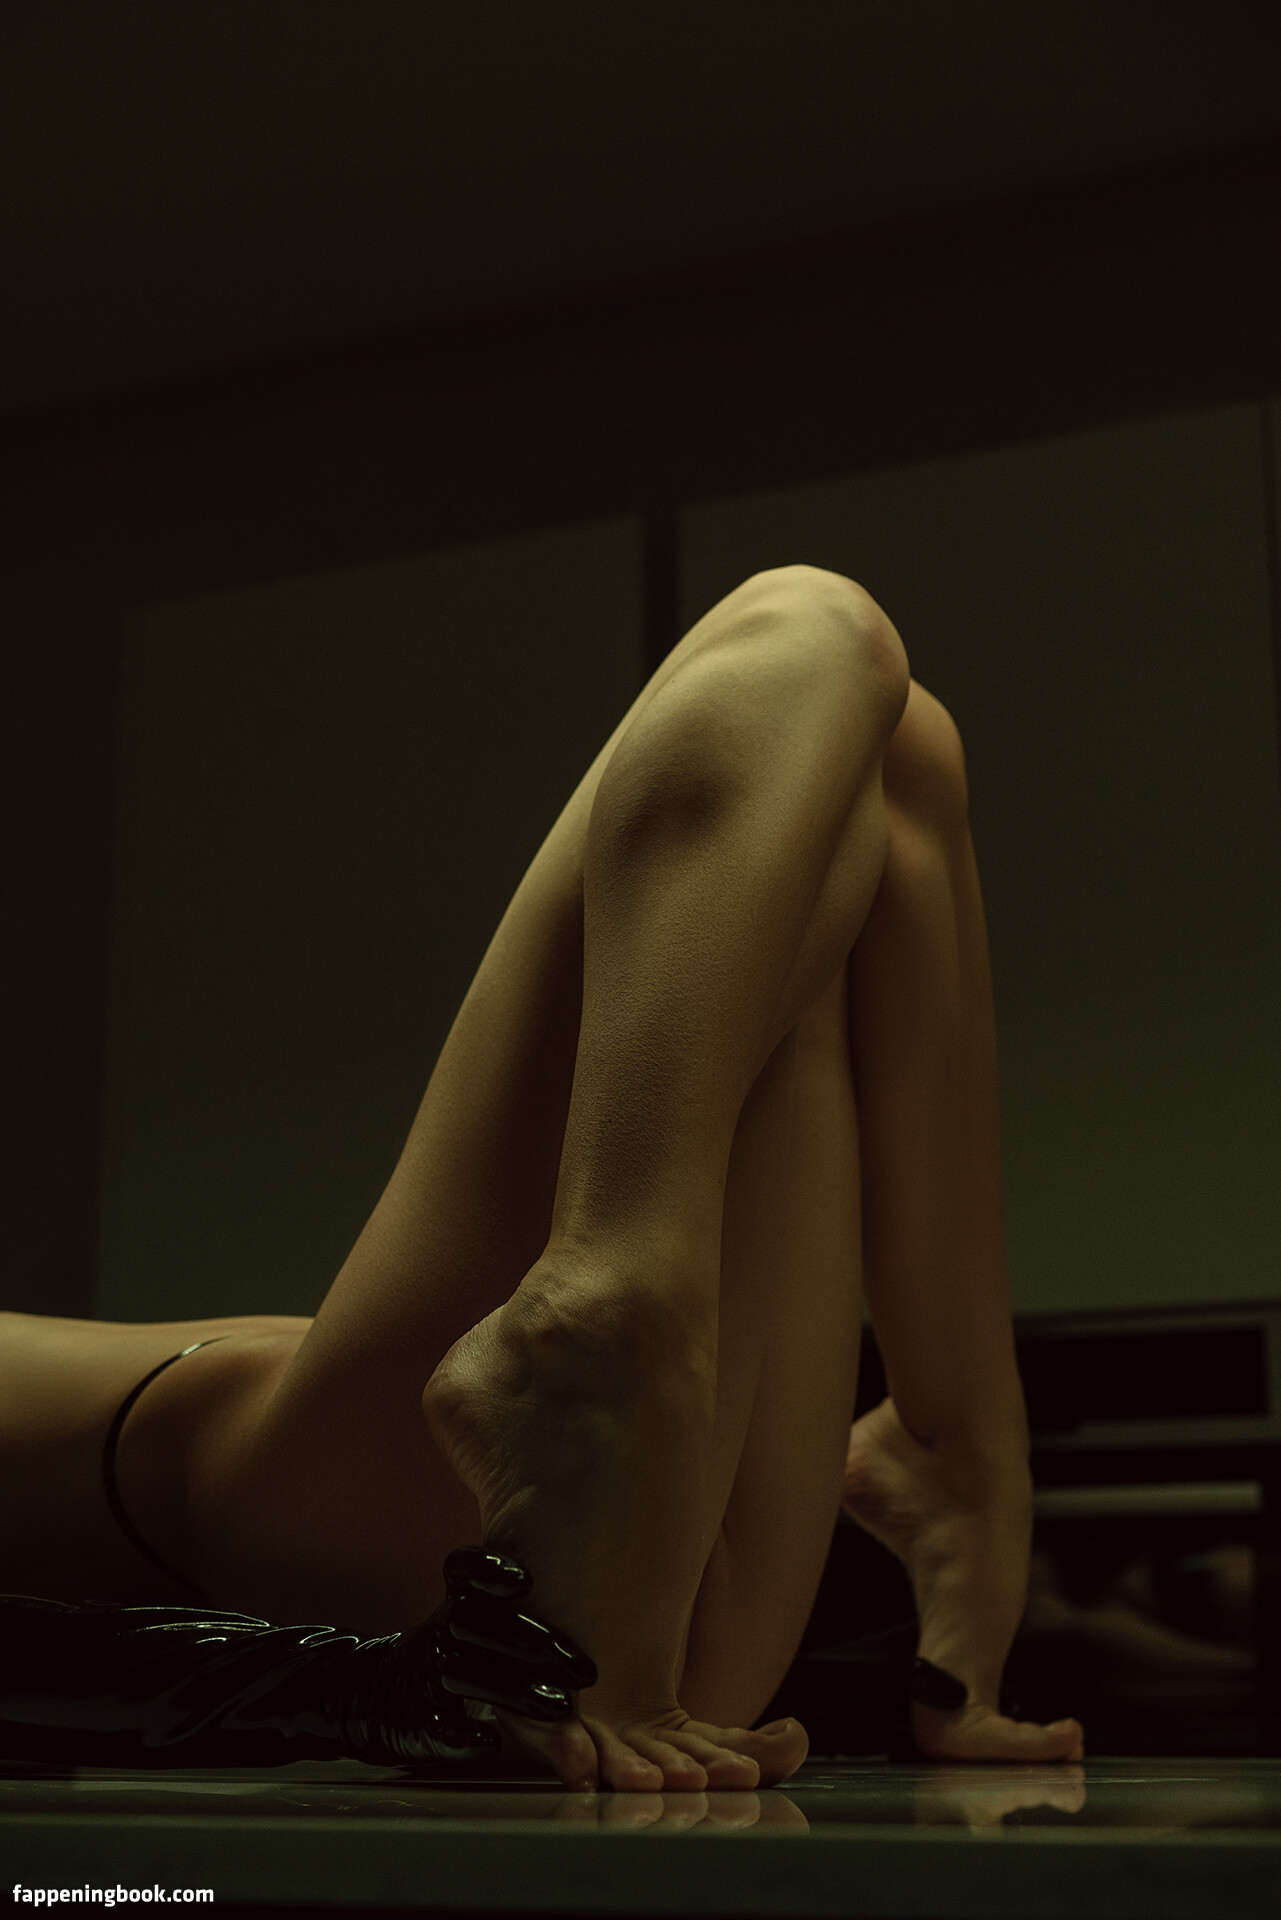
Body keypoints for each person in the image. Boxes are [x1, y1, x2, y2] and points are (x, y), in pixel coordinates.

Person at [0, 565, 1084, 1792]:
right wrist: (380, 1690)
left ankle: (952, 1462)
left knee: (889, 761)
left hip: (627, 1579)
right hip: (394, 1525)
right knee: (809, 633)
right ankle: (599, 1314)